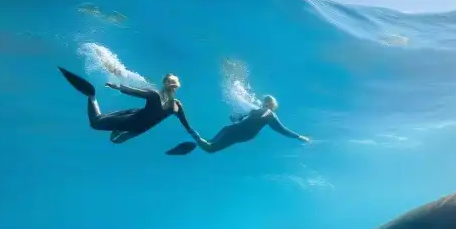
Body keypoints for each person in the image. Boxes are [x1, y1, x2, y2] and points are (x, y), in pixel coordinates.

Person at [58, 67, 202, 145]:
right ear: (177, 86)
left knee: (105, 127)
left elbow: (133, 92)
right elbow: (187, 126)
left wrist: (117, 86)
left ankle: (92, 97)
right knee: (96, 123)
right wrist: (197, 138)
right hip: (133, 122)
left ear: (164, 83)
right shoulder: (176, 106)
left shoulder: (156, 95)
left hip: (133, 118)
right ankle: (91, 96)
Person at [165, 94, 309, 156]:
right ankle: (193, 134)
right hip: (236, 133)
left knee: (208, 144)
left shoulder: (254, 110)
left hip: (231, 130)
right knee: (210, 149)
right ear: (271, 105)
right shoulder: (269, 114)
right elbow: (282, 130)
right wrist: (298, 136)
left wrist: (237, 118)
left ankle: (193, 141)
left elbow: (237, 119)